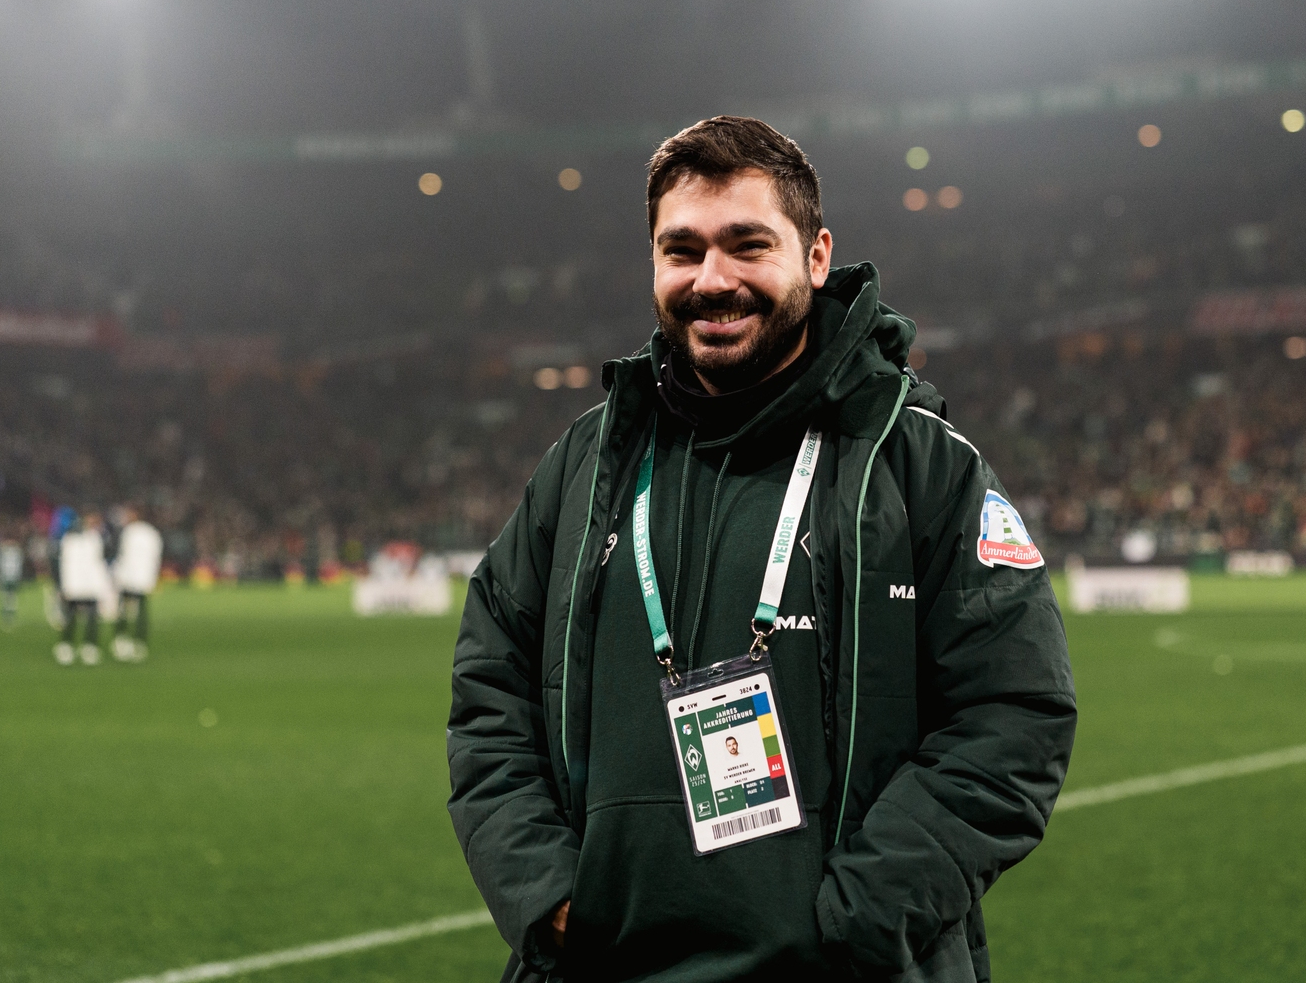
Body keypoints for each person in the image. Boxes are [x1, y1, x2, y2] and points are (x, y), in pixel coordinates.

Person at [448, 116, 1076, 982]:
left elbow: (1014, 719)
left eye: (748, 245)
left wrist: (860, 923)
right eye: (682, 250)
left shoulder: (919, 465)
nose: (713, 279)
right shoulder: (587, 467)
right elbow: (489, 689)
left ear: (816, 258)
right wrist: (548, 897)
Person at [55, 512, 108, 666]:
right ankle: (68, 646)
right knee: (72, 617)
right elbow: (65, 565)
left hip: (88, 585)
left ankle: (87, 647)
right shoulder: (73, 541)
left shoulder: (92, 539)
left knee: (90, 618)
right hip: (77, 585)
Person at [111, 506, 162, 661]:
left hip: (129, 576)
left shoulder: (129, 532)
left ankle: (122, 639)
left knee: (126, 609)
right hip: (142, 577)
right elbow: (156, 557)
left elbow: (122, 555)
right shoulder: (152, 533)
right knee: (140, 610)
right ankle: (138, 642)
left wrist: (117, 574)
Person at [0, 536, 25, 631]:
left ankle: (9, 611)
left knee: (10, 594)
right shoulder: (9, 553)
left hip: (10, 576)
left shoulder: (13, 553)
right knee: (8, 594)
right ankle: (7, 611)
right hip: (7, 576)